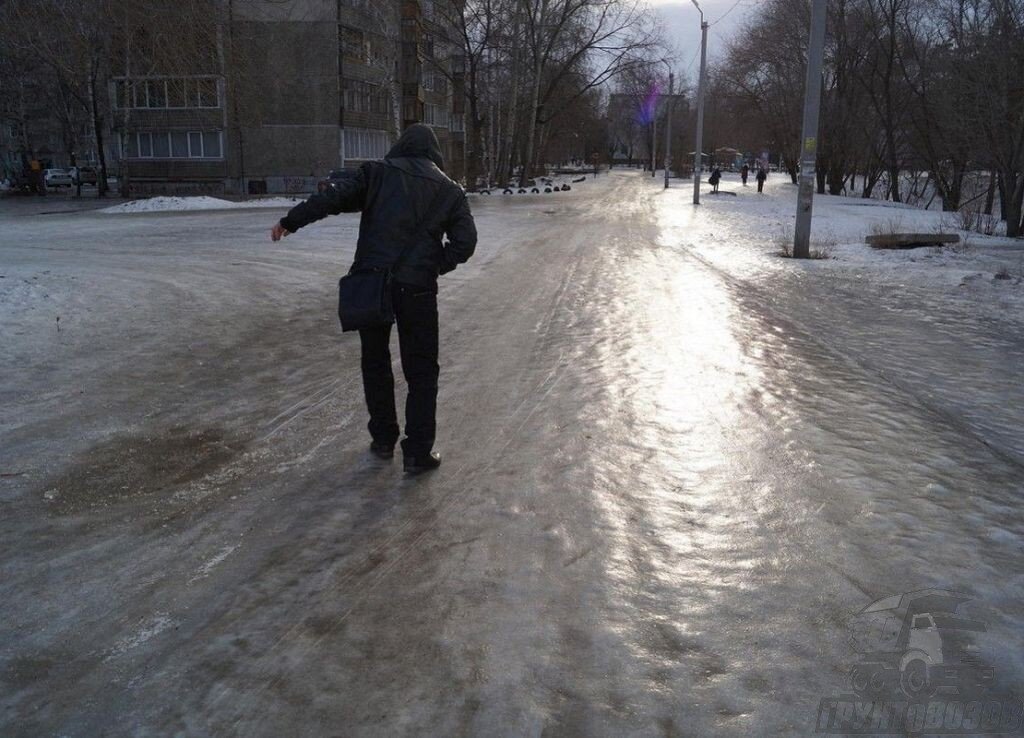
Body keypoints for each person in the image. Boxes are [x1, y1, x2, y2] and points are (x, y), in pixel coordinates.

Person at [270, 124, 477, 474]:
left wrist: (291, 222)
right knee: (421, 369)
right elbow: (465, 243)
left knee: (375, 363)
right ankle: (417, 453)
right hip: (418, 290)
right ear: (435, 153)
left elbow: (332, 198)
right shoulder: (450, 191)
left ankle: (383, 439)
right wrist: (431, 266)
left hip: (372, 283)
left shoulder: (377, 174)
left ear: (401, 147)